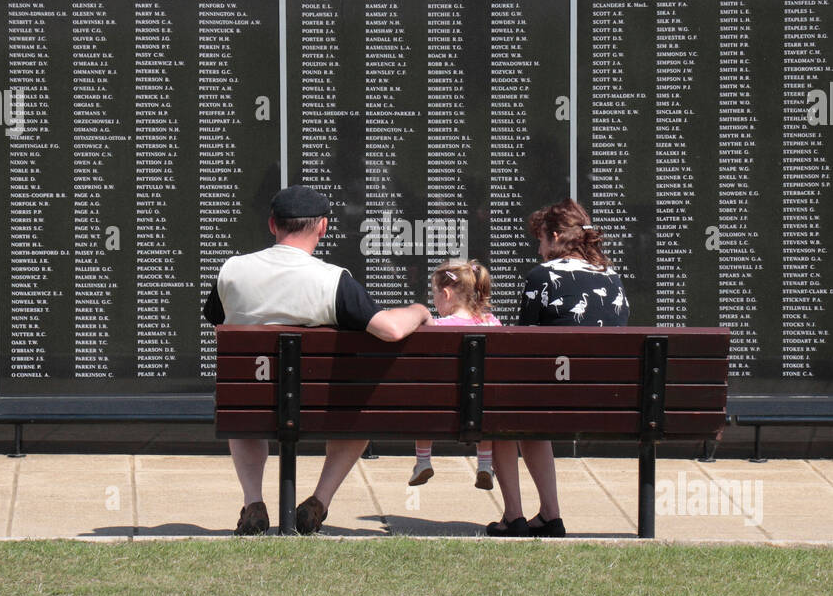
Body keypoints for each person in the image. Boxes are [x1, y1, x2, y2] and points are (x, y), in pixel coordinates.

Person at [203, 185, 432, 535]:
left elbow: (217, 319)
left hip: (250, 401)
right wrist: (419, 310)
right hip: (322, 406)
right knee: (362, 409)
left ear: (271, 224)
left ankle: (253, 502)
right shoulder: (333, 281)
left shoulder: (232, 271)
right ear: (323, 227)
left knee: (246, 401)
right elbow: (389, 330)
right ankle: (319, 501)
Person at [487, 198, 628, 538]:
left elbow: (521, 345)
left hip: (557, 397)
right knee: (532, 415)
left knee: (497, 414)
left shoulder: (542, 276)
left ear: (553, 237)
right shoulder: (613, 278)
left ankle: (514, 516)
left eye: (540, 240)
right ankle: (550, 516)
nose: (538, 249)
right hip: (610, 401)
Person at [408, 259, 505, 491]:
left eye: (435, 294)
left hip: (441, 405)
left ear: (446, 294)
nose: (434, 300)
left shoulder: (438, 326)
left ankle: (422, 461)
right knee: (485, 397)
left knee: (424, 399)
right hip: (482, 406)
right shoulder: (493, 324)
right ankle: (484, 464)